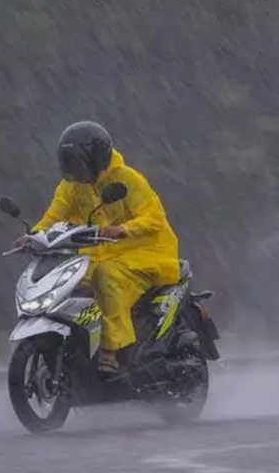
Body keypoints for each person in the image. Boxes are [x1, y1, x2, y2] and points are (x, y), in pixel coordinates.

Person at [13, 121, 181, 374]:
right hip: (102, 255)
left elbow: (154, 218)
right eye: (68, 162)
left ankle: (112, 350)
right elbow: (53, 217)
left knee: (106, 278)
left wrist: (123, 229)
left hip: (147, 254)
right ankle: (78, 345)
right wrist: (33, 236)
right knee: (69, 282)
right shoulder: (71, 186)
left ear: (96, 158)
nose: (74, 169)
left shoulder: (127, 179)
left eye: (78, 162)